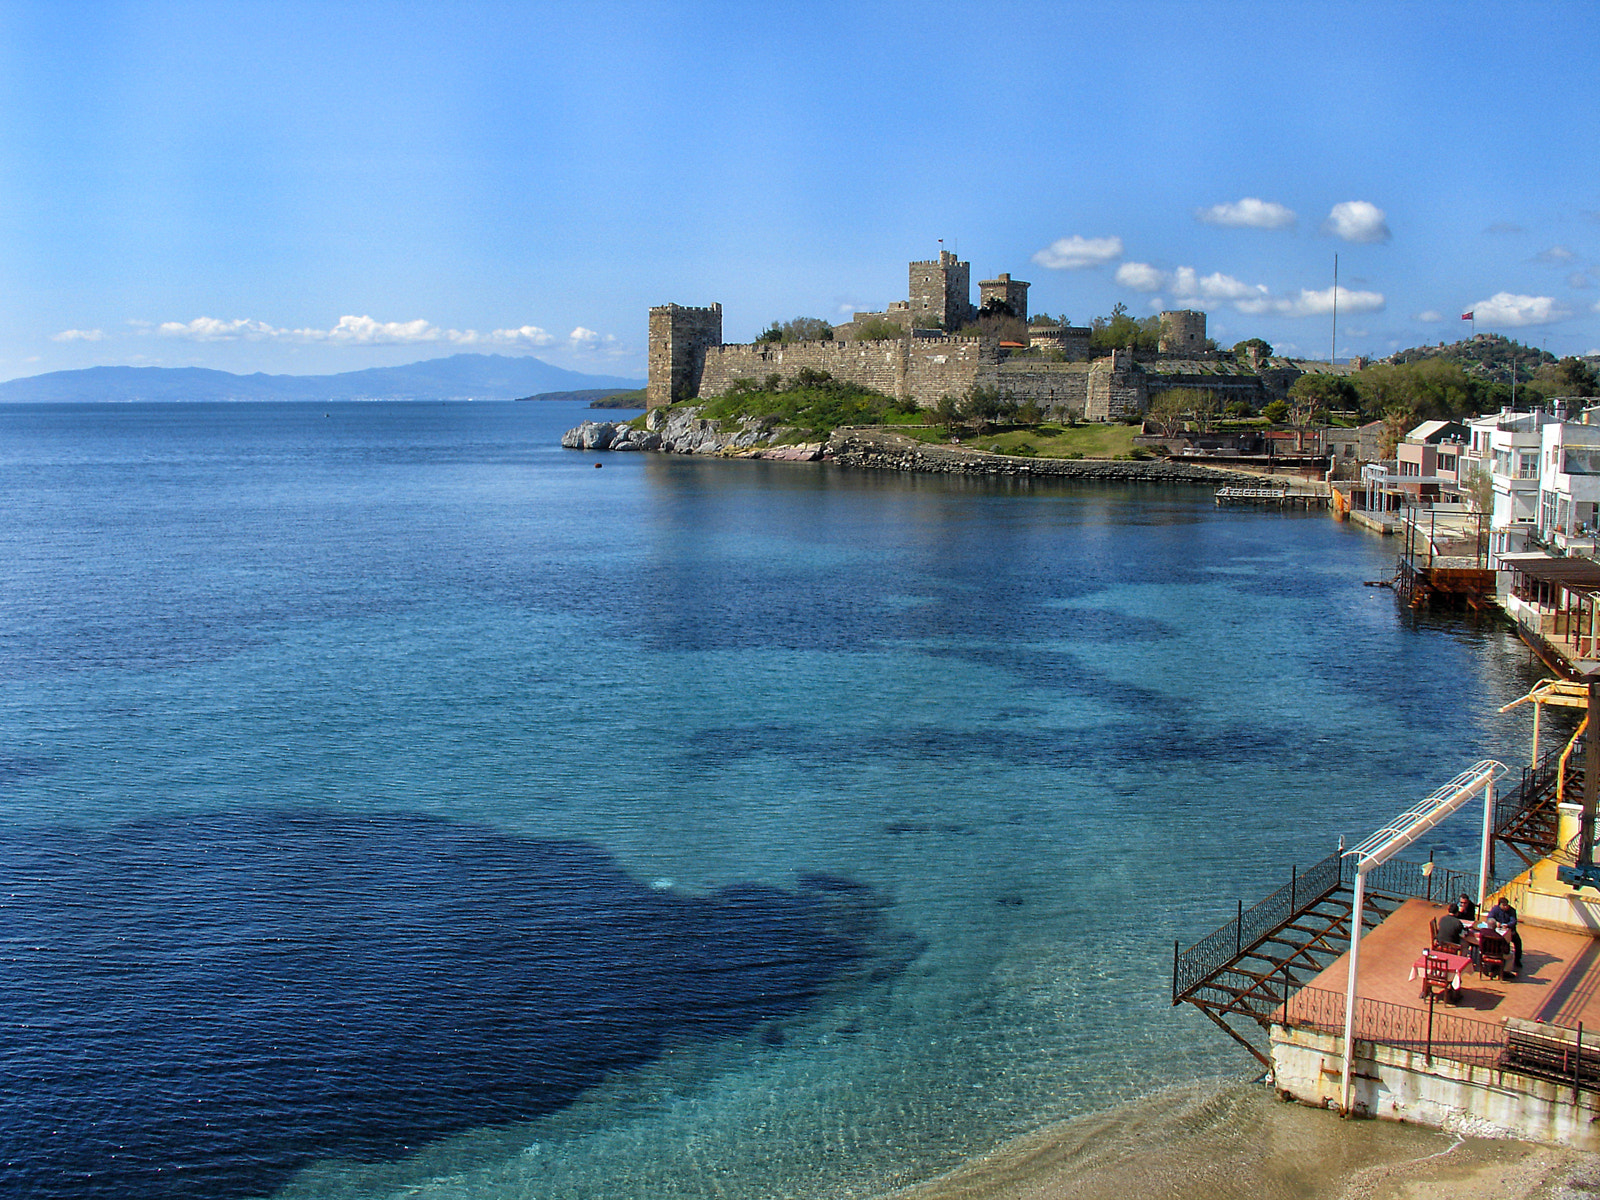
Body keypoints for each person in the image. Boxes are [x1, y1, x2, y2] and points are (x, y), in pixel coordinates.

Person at [1485, 896, 1523, 976]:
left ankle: (1517, 960)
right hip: (1497, 930)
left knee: (1518, 942)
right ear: (1500, 905)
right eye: (1504, 905)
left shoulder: (1512, 911)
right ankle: (1495, 962)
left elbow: (1513, 921)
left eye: (1506, 905)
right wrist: (1496, 922)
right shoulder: (1495, 909)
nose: (1506, 907)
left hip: (1509, 930)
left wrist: (1507, 925)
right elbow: (1490, 917)